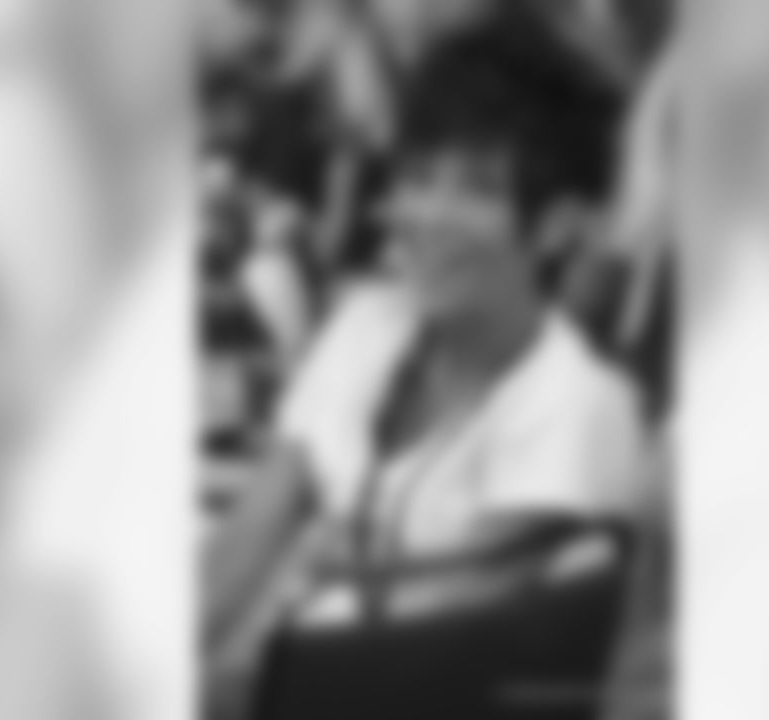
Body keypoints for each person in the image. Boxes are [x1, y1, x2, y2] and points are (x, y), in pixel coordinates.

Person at [204, 12, 648, 720]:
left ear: (557, 224)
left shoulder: (580, 409)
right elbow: (243, 547)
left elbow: (448, 655)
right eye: (417, 177)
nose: (427, 214)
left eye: (477, 188)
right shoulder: (367, 327)